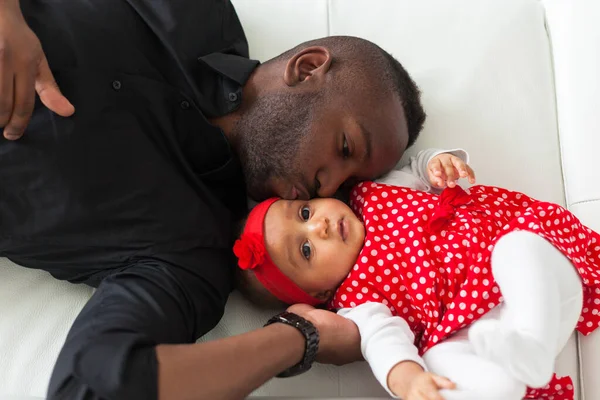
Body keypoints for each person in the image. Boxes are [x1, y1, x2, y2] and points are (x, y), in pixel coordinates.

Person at [0, 0, 427, 399]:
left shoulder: (195, 256)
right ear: (308, 68)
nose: (329, 188)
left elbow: (91, 384)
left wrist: (300, 335)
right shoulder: (200, 13)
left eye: (349, 185)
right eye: (346, 148)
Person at [233, 148, 600, 400]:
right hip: (476, 331)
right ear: (319, 292)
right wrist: (407, 379)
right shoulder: (357, 302)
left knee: (519, 248)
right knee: (438, 360)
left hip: (536, 290)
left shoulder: (379, 192)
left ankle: (530, 341)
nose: (320, 228)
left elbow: (420, 166)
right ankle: (502, 383)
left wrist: (439, 163)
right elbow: (382, 344)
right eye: (307, 251)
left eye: (305, 214)